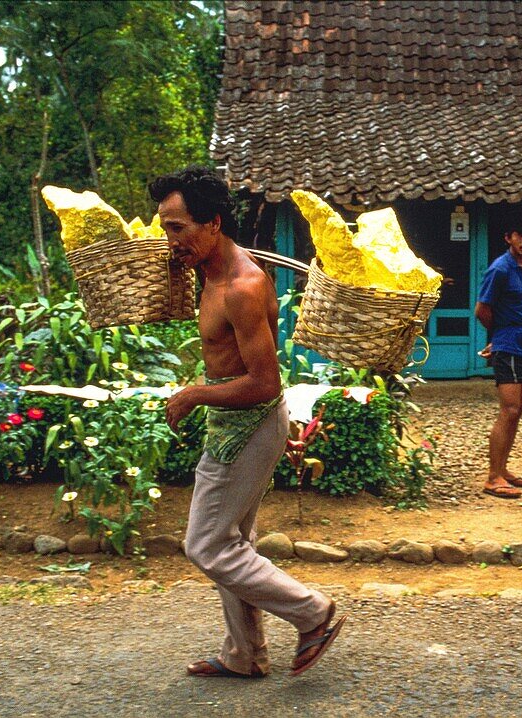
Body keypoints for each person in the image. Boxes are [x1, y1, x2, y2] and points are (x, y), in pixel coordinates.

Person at [151, 166, 344, 679]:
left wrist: (194, 394)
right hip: (238, 423)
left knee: (208, 545)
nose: (170, 240)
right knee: (234, 541)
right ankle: (244, 654)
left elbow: (263, 382)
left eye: (178, 228)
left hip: (250, 425)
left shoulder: (241, 285)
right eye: (165, 227)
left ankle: (313, 614)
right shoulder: (210, 269)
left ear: (212, 223)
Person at [474, 225, 522, 499]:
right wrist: (498, 336)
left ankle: (503, 470)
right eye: (519, 235)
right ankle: (493, 478)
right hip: (509, 343)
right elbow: (482, 309)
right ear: (508, 238)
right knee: (509, 409)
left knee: (519, 409)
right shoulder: (499, 269)